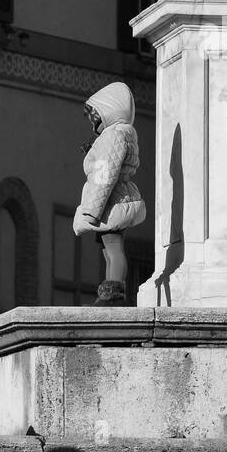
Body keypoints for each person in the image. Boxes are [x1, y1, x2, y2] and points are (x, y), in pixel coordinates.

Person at [73, 82, 146, 306]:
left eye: (94, 114)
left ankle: (113, 295)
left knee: (113, 248)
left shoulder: (114, 134)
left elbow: (105, 175)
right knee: (108, 249)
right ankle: (109, 292)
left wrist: (92, 211)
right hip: (114, 198)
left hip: (110, 201)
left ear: (108, 108)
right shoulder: (120, 133)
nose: (92, 119)